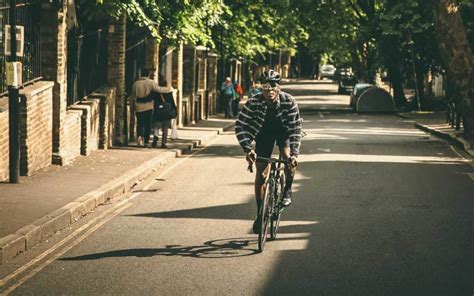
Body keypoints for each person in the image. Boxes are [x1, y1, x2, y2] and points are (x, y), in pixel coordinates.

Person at [235, 69, 302, 234]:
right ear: (261, 88)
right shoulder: (254, 102)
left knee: (287, 158)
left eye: (273, 85)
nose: (270, 90)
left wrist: (294, 154)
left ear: (279, 87)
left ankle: (287, 190)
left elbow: (295, 129)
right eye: (265, 86)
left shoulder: (289, 101)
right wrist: (247, 148)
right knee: (261, 174)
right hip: (263, 133)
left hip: (283, 131)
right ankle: (260, 213)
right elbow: (240, 125)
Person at [130, 68, 172, 147]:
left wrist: (132, 107)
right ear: (148, 74)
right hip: (148, 106)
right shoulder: (151, 83)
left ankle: (139, 136)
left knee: (139, 123)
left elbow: (132, 96)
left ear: (140, 74)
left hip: (138, 106)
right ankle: (146, 141)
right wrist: (168, 88)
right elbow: (159, 90)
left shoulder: (135, 84)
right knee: (147, 124)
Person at [152, 75, 177, 148]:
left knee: (156, 126)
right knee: (165, 128)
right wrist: (175, 111)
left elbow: (154, 101)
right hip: (167, 111)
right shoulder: (169, 91)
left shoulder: (156, 91)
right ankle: (163, 143)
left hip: (158, 111)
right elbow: (172, 102)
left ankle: (155, 139)